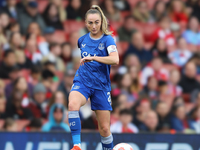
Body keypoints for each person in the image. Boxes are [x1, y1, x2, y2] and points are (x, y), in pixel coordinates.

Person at [68, 5, 119, 150]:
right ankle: (77, 146)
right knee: (72, 105)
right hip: (83, 80)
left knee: (104, 129)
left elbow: (115, 60)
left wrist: (95, 58)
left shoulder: (108, 40)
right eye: (90, 23)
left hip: (101, 86)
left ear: (101, 21)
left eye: (97, 22)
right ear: (85, 23)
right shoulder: (82, 40)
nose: (94, 26)